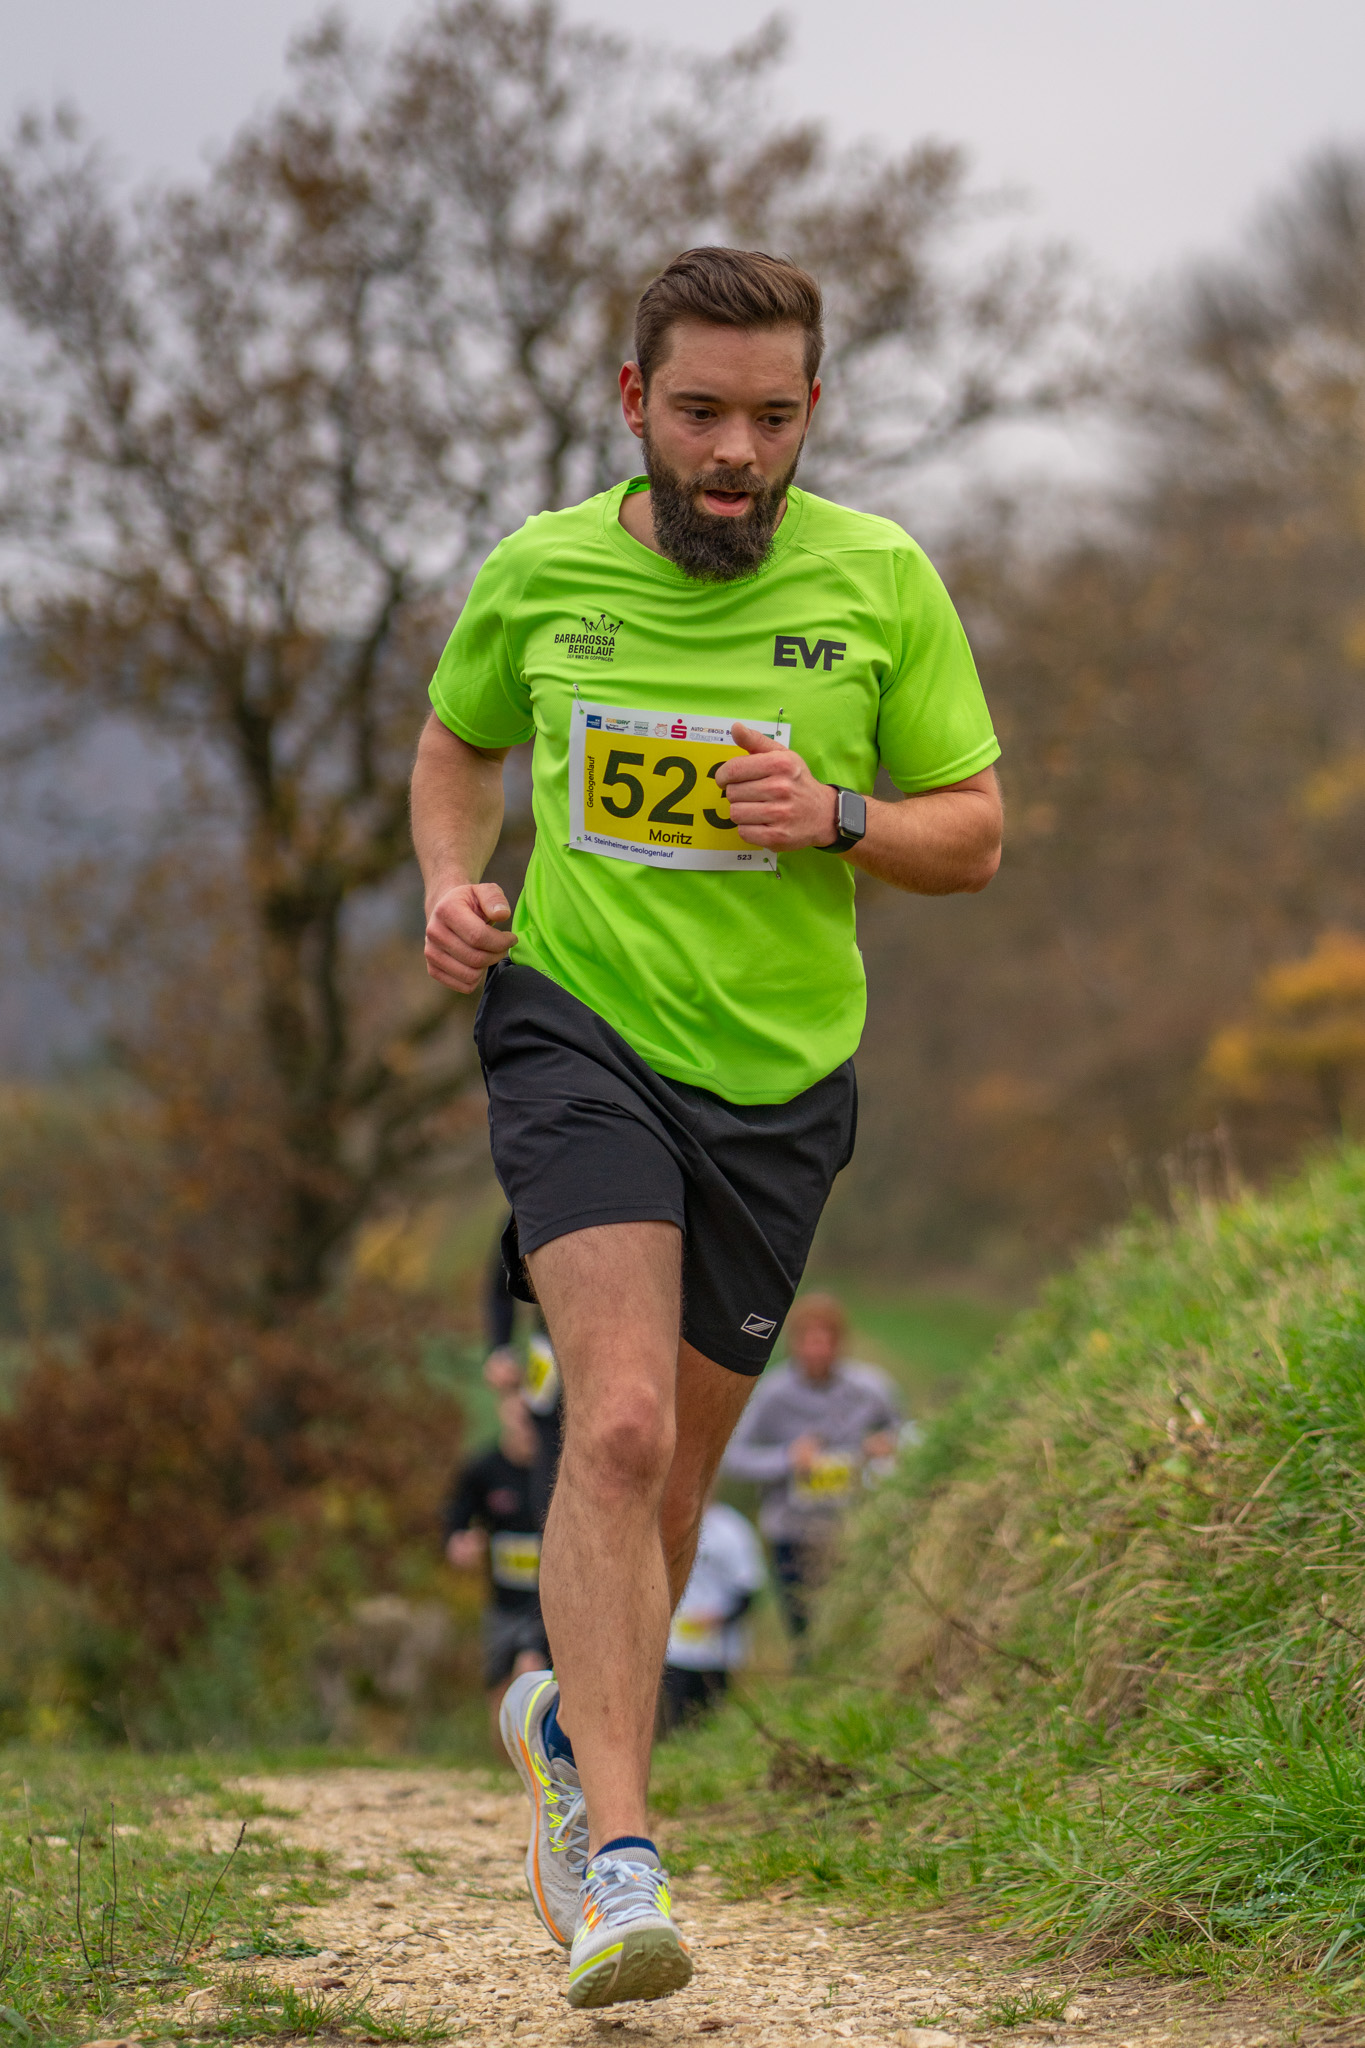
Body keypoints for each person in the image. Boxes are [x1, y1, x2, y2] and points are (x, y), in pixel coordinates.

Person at [410, 245, 1002, 2010]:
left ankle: (562, 1726)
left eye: (770, 415)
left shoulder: (880, 580)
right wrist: (451, 884)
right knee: (614, 1426)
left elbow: (972, 832)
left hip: (779, 1083)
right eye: (699, 412)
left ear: (811, 410)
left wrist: (838, 814)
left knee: (668, 1486)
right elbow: (457, 745)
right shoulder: (541, 569)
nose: (736, 450)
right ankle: (620, 1862)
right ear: (633, 405)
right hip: (577, 1030)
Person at [723, 1292, 904, 1637]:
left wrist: (884, 1448)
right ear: (794, 1343)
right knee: (805, 1632)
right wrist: (787, 1459)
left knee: (853, 1630)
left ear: (840, 1343)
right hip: (792, 1532)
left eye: (826, 1342)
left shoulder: (873, 1390)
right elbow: (732, 1456)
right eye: (809, 1342)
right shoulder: (772, 1394)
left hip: (853, 1528)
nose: (817, 1352)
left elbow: (905, 1436)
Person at [443, 1391, 551, 1736]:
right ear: (504, 1412)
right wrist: (459, 1542)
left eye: (534, 1418)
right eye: (520, 1415)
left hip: (548, 1606)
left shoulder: (558, 1471)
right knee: (500, 1694)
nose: (527, 1425)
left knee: (531, 1672)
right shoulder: (483, 1470)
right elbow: (456, 1518)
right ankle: (505, 1763)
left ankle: (538, 1759)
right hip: (502, 1605)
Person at [660, 1495, 766, 1732]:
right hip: (673, 1651)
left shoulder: (733, 1529)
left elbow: (749, 1592)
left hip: (717, 1653)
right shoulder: (661, 1520)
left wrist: (719, 1619)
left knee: (712, 1722)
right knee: (673, 1725)